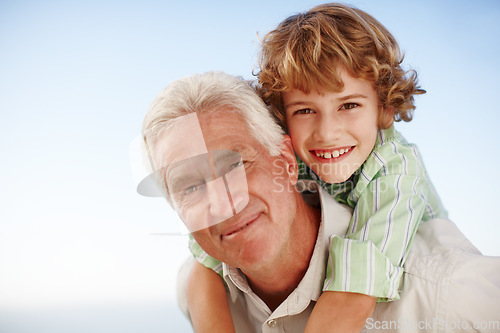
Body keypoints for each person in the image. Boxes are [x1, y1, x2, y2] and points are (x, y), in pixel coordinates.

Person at [140, 71, 500, 332]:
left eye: (235, 165)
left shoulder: (450, 295)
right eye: (189, 188)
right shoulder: (197, 290)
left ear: (285, 160)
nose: (222, 203)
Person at [185, 3, 448, 332]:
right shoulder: (287, 153)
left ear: (384, 106)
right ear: (281, 118)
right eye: (305, 110)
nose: (326, 133)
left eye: (349, 105)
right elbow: (204, 263)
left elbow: (352, 291)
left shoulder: (396, 172)